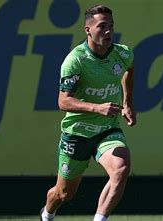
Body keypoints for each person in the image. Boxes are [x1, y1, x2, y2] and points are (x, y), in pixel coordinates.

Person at [40, 5, 136, 221]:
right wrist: (97, 107)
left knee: (121, 167)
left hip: (107, 130)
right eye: (102, 26)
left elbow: (129, 68)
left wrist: (128, 102)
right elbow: (63, 101)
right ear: (88, 30)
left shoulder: (122, 53)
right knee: (64, 194)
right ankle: (47, 213)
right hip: (77, 133)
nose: (109, 31)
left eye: (111, 26)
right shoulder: (76, 60)